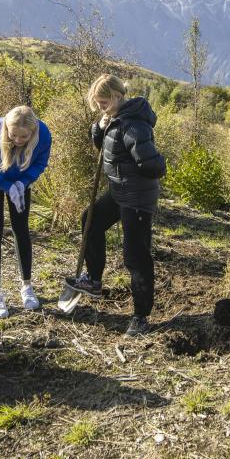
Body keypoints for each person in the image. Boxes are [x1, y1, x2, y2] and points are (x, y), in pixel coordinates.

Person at [68, 74, 166, 337]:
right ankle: (94, 280)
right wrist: (99, 127)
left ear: (117, 97)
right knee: (91, 220)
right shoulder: (115, 118)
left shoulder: (133, 125)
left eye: (103, 102)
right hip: (119, 191)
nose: (100, 106)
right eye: (97, 103)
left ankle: (141, 317)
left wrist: (153, 160)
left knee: (136, 258)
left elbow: (153, 166)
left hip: (137, 198)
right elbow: (106, 147)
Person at [0, 105, 52, 319]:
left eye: (23, 136)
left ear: (32, 133)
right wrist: (6, 186)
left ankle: (27, 286)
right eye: (13, 134)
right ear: (6, 127)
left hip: (21, 180)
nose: (17, 140)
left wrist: (22, 183)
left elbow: (40, 163)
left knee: (21, 229)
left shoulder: (43, 135)